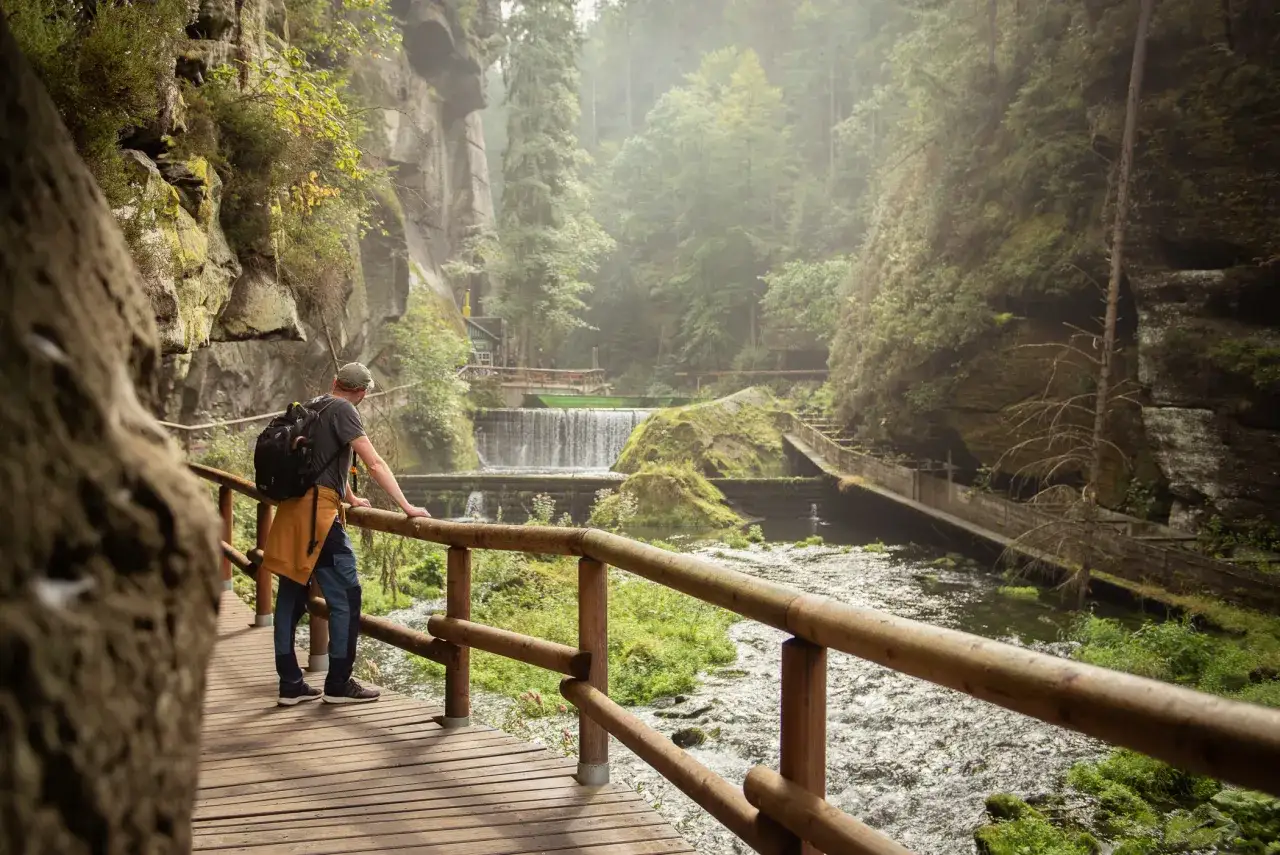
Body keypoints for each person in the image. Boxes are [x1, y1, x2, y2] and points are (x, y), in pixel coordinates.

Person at [261, 362, 431, 706]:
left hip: (293, 510)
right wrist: (407, 507)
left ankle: (290, 683)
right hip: (318, 520)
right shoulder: (344, 410)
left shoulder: (314, 405)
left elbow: (319, 460)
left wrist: (350, 497)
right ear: (363, 392)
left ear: (335, 382)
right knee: (347, 596)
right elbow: (374, 462)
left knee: (290, 597)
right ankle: (338, 682)